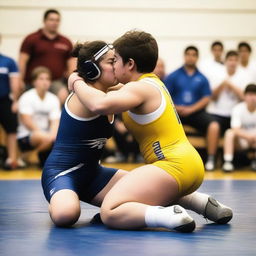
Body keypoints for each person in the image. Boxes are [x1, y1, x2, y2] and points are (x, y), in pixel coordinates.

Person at [68, 30, 233, 232]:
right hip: (188, 166)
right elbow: (107, 91)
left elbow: (99, 104)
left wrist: (75, 81)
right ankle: (202, 203)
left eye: (115, 60)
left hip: (171, 167)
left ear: (130, 64)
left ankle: (167, 215)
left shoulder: (138, 89)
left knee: (110, 212)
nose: (113, 66)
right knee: (147, 192)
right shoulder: (151, 82)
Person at [41, 41, 127, 227]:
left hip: (94, 175)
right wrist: (76, 80)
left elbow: (139, 85)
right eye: (111, 62)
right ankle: (60, 200)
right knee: (66, 215)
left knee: (149, 189)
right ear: (92, 69)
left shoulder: (107, 92)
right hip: (62, 173)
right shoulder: (87, 98)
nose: (116, 66)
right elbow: (99, 102)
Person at [164, 46, 220, 171]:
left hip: (195, 113)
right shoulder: (174, 75)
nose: (190, 57)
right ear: (184, 56)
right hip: (176, 113)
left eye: (193, 54)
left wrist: (192, 109)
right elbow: (165, 95)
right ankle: (165, 159)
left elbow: (206, 97)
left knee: (214, 126)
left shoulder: (202, 77)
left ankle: (210, 159)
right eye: (188, 54)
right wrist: (176, 108)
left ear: (197, 58)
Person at [19, 9, 76, 105]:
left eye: (57, 20)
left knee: (63, 95)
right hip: (34, 82)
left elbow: (72, 64)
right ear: (44, 21)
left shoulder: (65, 41)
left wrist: (73, 81)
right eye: (51, 20)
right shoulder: (31, 39)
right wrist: (20, 80)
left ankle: (56, 119)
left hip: (55, 81)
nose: (54, 23)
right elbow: (22, 61)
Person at [206, 50, 252, 167]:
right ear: (226, 61)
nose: (233, 62)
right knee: (214, 127)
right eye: (230, 60)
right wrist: (222, 84)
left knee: (235, 133)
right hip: (217, 113)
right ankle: (211, 159)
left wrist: (231, 85)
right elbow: (213, 97)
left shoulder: (244, 75)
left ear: (238, 62)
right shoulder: (217, 74)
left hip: (235, 113)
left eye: (235, 60)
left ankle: (236, 160)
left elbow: (245, 97)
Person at [17, 67, 61, 167]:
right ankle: (30, 155)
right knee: (46, 138)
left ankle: (32, 155)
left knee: (56, 138)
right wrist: (48, 136)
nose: (45, 82)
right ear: (34, 82)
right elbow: (27, 121)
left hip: (47, 137)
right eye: (41, 79)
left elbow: (55, 121)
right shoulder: (27, 97)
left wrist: (53, 136)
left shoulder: (53, 99)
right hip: (27, 135)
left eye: (47, 79)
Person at [0, 35, 24, 169]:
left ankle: (11, 159)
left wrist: (15, 101)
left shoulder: (8, 61)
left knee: (12, 129)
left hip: (4, 101)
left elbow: (15, 83)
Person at [222, 84, 256, 172]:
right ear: (245, 96)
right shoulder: (238, 108)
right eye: (250, 95)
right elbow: (235, 128)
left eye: (255, 94)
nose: (253, 98)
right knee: (229, 133)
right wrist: (248, 137)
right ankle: (228, 161)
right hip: (242, 141)